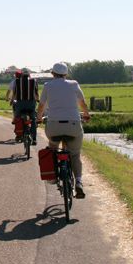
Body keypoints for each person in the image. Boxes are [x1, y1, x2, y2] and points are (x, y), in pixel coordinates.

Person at [37, 62, 91, 199]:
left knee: (53, 148)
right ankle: (78, 182)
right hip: (73, 125)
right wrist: (86, 114)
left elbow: (42, 105)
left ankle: (54, 176)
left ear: (52, 73)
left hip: (54, 125)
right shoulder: (74, 84)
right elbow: (82, 103)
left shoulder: (48, 86)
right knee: (75, 155)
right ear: (66, 74)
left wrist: (38, 118)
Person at [6, 70, 39, 145]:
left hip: (20, 104)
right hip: (31, 104)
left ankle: (18, 135)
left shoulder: (17, 81)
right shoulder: (33, 81)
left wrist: (12, 100)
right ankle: (34, 139)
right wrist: (37, 100)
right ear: (29, 76)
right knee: (33, 119)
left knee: (17, 117)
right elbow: (36, 94)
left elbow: (15, 94)